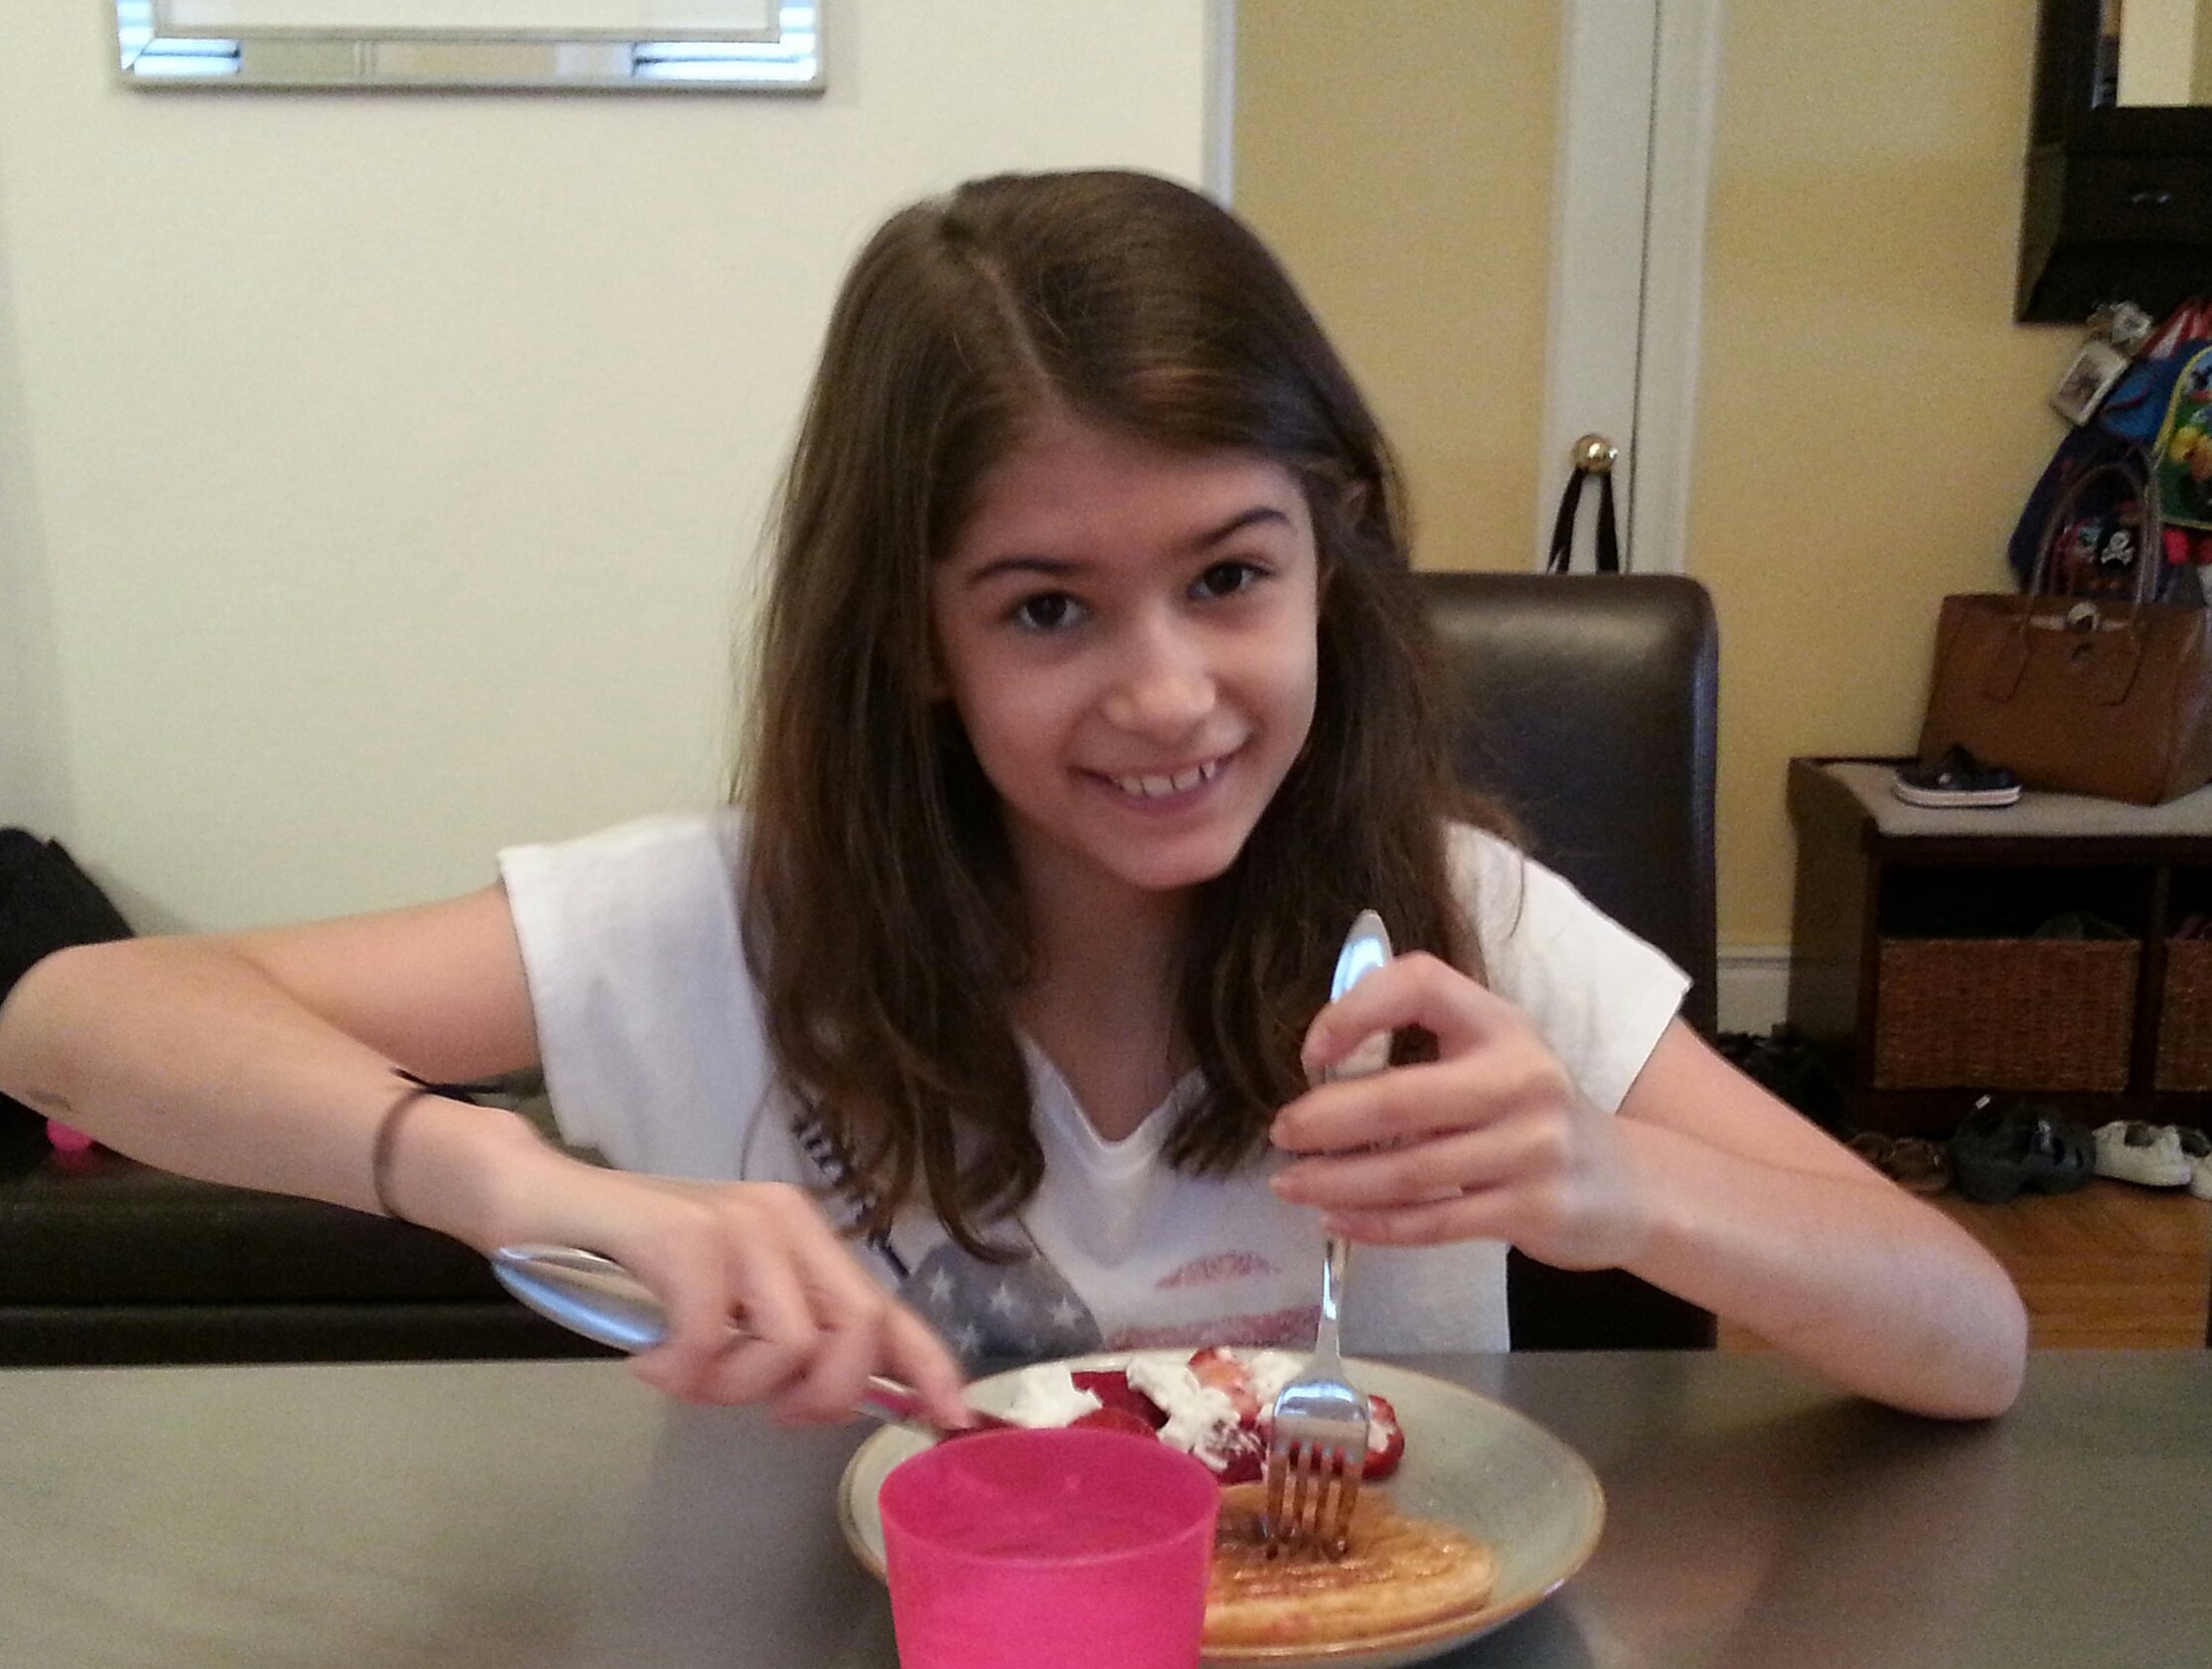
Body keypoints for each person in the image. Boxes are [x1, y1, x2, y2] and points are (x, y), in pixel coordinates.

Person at [0, 171, 2026, 1424]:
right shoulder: (731, 923)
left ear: (1328, 561)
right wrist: (514, 1180)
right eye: (1047, 607)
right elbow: (75, 1015)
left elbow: (1973, 1335)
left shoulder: (1449, 924)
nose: (1167, 696)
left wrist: (1617, 1184)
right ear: (915, 634)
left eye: (1229, 577)